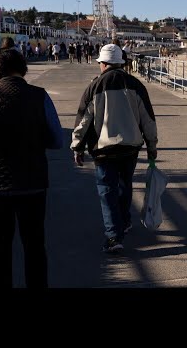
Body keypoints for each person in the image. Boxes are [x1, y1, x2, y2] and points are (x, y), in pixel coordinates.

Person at [0, 49, 63, 288]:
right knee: (34, 245)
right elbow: (57, 140)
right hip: (32, 182)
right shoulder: (39, 96)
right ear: (23, 68)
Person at [71, 44, 158, 253]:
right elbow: (148, 119)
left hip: (104, 149)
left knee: (107, 190)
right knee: (124, 184)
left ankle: (113, 236)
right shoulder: (136, 85)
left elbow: (83, 120)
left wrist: (77, 147)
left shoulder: (94, 86)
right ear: (121, 63)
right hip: (130, 148)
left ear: (103, 64)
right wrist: (152, 145)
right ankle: (125, 221)